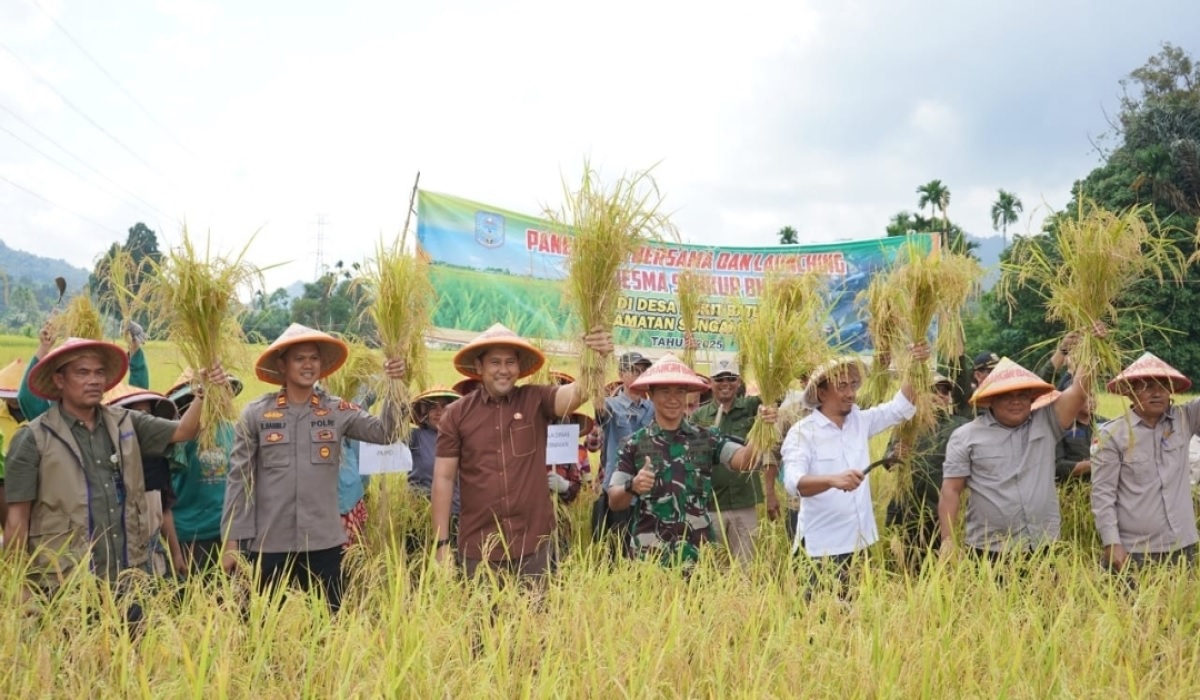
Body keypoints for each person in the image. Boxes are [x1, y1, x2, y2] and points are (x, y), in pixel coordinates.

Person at [3, 338, 221, 598]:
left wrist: (204, 391)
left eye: (99, 372)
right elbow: (17, 520)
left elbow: (184, 431)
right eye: (82, 372)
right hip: (64, 585)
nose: (94, 380)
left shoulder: (127, 423)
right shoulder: (33, 439)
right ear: (59, 380)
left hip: (128, 579)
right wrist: (20, 588)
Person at [221, 323, 406, 612]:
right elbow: (238, 482)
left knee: (328, 627)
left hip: (323, 542)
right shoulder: (256, 414)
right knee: (257, 628)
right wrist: (232, 542)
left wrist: (396, 386)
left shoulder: (337, 410)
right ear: (282, 365)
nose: (308, 365)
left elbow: (386, 433)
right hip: (268, 543)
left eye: (314, 358)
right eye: (299, 358)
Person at [431, 322, 613, 582]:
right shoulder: (456, 415)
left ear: (518, 367)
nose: (503, 370)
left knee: (539, 619)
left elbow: (576, 393)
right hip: (480, 547)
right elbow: (443, 479)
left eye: (510, 362)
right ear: (479, 367)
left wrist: (596, 359)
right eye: (495, 362)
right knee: (483, 621)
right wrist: (441, 544)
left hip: (534, 544)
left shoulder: (535, 400)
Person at [605, 354, 775, 570]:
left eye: (679, 391)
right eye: (665, 391)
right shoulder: (634, 443)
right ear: (651, 394)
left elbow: (744, 461)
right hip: (649, 557)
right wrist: (633, 486)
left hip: (698, 555)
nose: (673, 398)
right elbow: (614, 500)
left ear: (687, 395)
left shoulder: (707, 438)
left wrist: (762, 428)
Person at [781, 344, 929, 589]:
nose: (850, 393)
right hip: (822, 549)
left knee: (858, 619)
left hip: (861, 544)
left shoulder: (860, 422)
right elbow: (792, 483)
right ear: (821, 394)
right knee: (822, 621)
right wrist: (832, 480)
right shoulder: (802, 433)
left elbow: (900, 407)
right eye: (841, 386)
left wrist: (917, 365)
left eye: (853, 385)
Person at [938, 357, 1092, 560]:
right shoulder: (966, 436)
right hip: (988, 549)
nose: (1016, 401)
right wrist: (948, 541)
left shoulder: (1047, 423)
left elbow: (1079, 391)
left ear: (1031, 399)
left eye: (1022, 395)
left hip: (1043, 544)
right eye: (1006, 396)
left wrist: (1092, 344)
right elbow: (951, 489)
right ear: (991, 399)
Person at [1091, 353, 1199, 570]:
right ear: (1130, 392)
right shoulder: (1113, 434)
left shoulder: (1185, 418)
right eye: (1147, 386)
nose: (1157, 392)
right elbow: (1103, 494)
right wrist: (1112, 542)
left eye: (1163, 385)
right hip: (1137, 550)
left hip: (1183, 544)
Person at [690, 358, 778, 564]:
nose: (725, 383)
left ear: (739, 382)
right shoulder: (698, 417)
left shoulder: (751, 407)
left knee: (745, 566)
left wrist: (769, 409)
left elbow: (776, 396)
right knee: (713, 566)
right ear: (710, 383)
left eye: (730, 378)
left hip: (744, 501)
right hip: (712, 504)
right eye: (720, 378)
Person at [884, 373, 971, 567]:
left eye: (945, 391)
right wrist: (895, 454)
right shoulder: (905, 425)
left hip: (942, 512)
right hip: (905, 512)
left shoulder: (960, 427)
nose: (940, 395)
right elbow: (887, 464)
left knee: (940, 570)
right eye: (933, 390)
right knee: (903, 570)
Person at [164, 370, 243, 574]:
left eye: (223, 391)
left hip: (227, 534)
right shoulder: (179, 436)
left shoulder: (233, 431)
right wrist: (175, 552)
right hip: (190, 536)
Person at [103, 383, 185, 577]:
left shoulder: (156, 461)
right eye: (137, 412)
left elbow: (163, 509)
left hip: (150, 553)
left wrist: (176, 553)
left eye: (146, 412)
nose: (143, 418)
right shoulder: (106, 462)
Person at [590, 351, 655, 543]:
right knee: (616, 550)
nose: (640, 375)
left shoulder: (653, 409)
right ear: (621, 374)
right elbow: (597, 403)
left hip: (648, 491)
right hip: (619, 491)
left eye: (644, 371)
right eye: (635, 370)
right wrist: (598, 360)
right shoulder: (610, 406)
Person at [406, 386, 461, 554]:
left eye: (444, 406)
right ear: (424, 413)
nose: (438, 412)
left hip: (456, 512)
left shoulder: (462, 439)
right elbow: (388, 434)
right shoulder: (415, 437)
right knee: (419, 565)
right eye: (432, 407)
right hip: (421, 513)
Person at [1055, 395, 1104, 484]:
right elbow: (1057, 465)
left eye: (1092, 396)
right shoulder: (1061, 427)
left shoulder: (1105, 424)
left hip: (1103, 487)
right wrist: (1091, 465)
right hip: (1072, 491)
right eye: (1085, 397)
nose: (1091, 400)